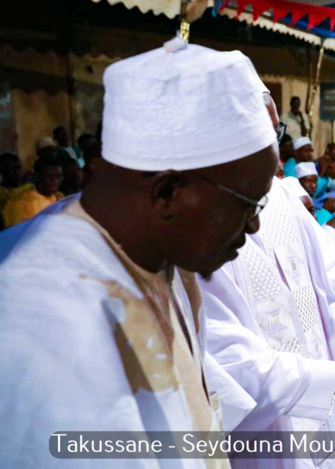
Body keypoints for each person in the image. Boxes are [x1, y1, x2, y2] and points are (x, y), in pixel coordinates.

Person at [0, 37, 279, 467]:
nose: (255, 225)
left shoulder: (160, 258)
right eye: (247, 205)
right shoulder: (49, 316)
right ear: (167, 193)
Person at [199, 96, 335, 469]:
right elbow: (226, 362)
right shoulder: (196, 225)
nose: (273, 148)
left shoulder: (285, 199)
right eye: (257, 134)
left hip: (328, 416)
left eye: (275, 132)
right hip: (268, 436)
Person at [2, 156, 64, 228]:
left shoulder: (59, 197)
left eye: (59, 176)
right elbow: (16, 235)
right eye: (50, 177)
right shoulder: (19, 204)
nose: (55, 181)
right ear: (36, 176)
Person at [0, 153, 31, 220]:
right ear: (2, 171)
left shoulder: (30, 188)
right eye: (12, 169)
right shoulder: (1, 193)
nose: (17, 172)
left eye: (19, 168)